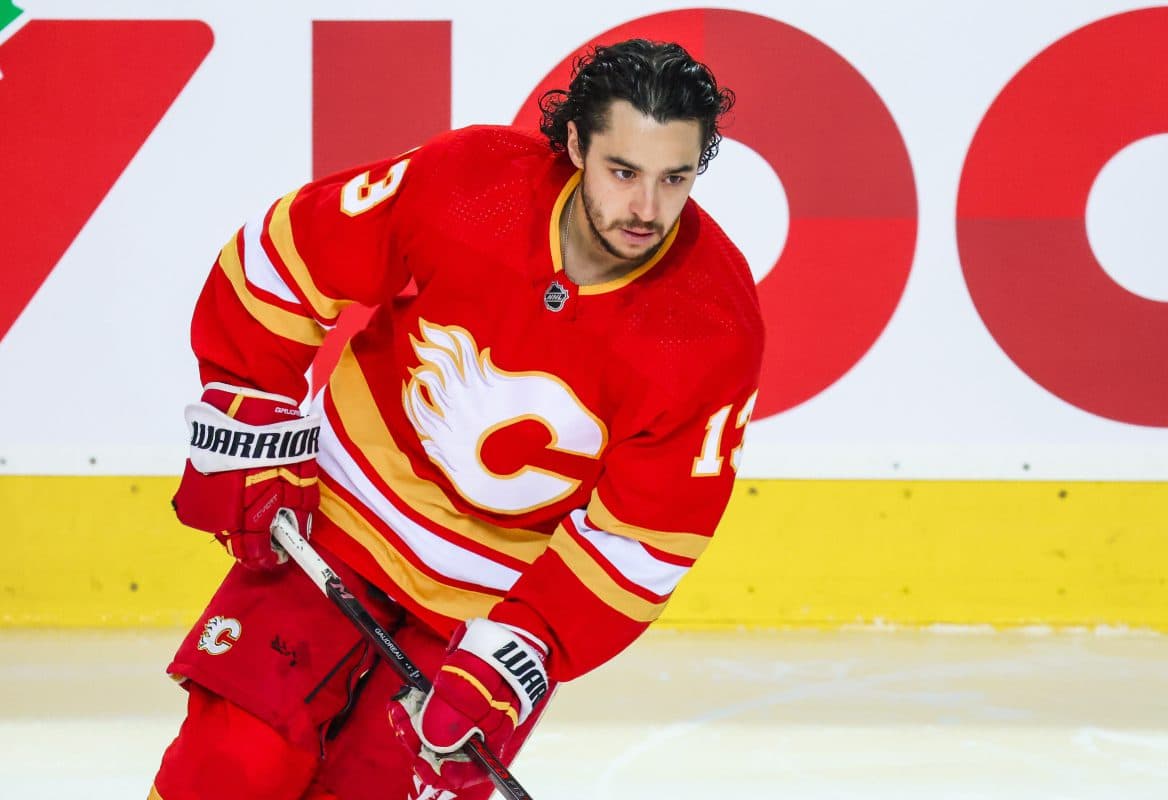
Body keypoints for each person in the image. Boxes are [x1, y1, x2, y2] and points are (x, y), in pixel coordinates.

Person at [150, 38, 764, 800]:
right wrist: (247, 405)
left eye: (675, 178)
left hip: (488, 606)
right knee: (228, 766)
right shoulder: (472, 184)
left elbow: (647, 534)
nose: (647, 209)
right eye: (623, 172)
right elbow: (288, 258)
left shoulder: (711, 325)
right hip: (334, 523)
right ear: (575, 143)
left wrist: (529, 643)